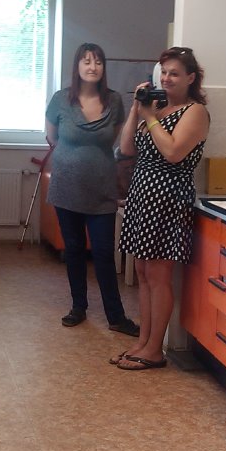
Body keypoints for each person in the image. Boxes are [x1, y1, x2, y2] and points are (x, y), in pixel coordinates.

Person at [115, 47, 210, 370]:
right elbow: (126, 148)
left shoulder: (195, 112)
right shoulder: (157, 109)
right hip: (143, 195)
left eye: (174, 73)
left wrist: (150, 118)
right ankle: (143, 342)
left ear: (190, 78)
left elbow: (173, 152)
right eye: (164, 72)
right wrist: (136, 110)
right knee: (143, 273)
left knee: (159, 275)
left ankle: (155, 350)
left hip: (168, 198)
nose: (167, 79)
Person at [45, 42, 137, 335]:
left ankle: (116, 317)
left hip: (102, 189)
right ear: (77, 66)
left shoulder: (114, 101)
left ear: (103, 67)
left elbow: (116, 139)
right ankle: (78, 307)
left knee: (103, 252)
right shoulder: (61, 99)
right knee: (73, 250)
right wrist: (73, 159)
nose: (92, 67)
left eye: (97, 61)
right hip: (66, 187)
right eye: (86, 61)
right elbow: (51, 136)